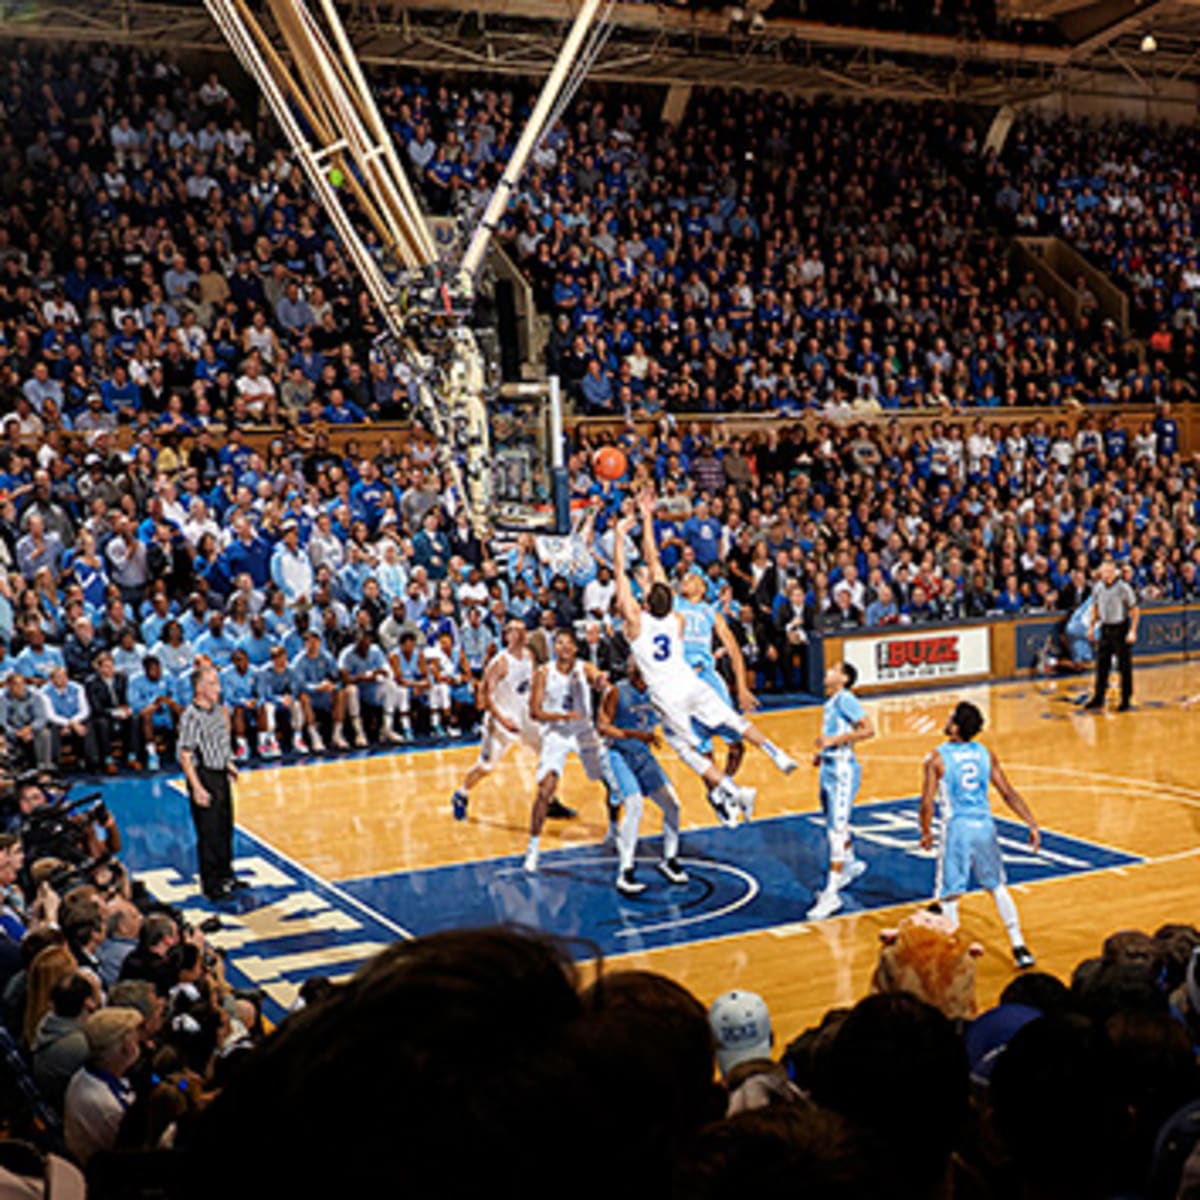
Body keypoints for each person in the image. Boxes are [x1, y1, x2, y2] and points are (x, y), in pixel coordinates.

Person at [613, 495, 796, 827]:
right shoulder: (676, 617)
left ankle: (733, 788)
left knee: (691, 749)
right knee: (723, 729)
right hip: (691, 679)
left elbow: (635, 574)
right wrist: (647, 517)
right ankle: (738, 785)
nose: (688, 579)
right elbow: (654, 565)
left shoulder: (646, 622)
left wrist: (621, 536)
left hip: (676, 688)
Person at [919, 700, 1039, 970]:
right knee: (996, 886)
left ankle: (952, 954)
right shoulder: (986, 753)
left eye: (950, 718)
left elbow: (927, 802)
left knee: (949, 894)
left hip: (956, 829)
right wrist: (1031, 822)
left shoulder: (936, 757)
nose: (946, 720)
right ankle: (1019, 946)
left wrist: (925, 831)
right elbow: (1007, 792)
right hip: (985, 826)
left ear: (956, 728)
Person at [595, 660, 688, 896]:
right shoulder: (617, 691)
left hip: (642, 754)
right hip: (617, 754)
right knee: (634, 804)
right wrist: (634, 734)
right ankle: (625, 871)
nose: (633, 664)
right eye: (632, 661)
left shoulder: (656, 692)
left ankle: (670, 859)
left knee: (672, 804)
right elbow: (602, 727)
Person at [524, 630, 610, 874]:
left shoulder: (583, 668)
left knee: (611, 782)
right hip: (556, 734)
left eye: (567, 643)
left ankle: (613, 831)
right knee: (545, 790)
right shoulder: (544, 673)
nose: (562, 646)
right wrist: (561, 717)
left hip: (584, 733)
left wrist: (602, 681)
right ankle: (533, 849)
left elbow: (597, 678)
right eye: (558, 643)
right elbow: (534, 712)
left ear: (575, 648)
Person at [451, 620, 541, 821]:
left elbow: (533, 685)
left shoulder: (529, 656)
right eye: (515, 631)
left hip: (525, 717)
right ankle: (461, 794)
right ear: (507, 635)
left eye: (523, 630)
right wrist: (502, 719)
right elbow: (485, 697)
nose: (520, 634)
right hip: (501, 721)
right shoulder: (500, 662)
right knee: (486, 766)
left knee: (548, 755)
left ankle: (549, 800)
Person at [807, 661, 876, 920]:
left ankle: (831, 894)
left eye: (834, 669)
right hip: (829, 767)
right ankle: (851, 862)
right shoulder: (832, 702)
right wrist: (823, 751)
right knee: (833, 824)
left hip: (842, 772)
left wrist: (832, 742)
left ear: (844, 678)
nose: (827, 671)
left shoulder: (846, 698)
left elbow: (868, 729)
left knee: (836, 830)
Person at [176, 664, 242, 902]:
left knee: (225, 827)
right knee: (209, 833)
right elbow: (185, 755)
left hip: (220, 773)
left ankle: (227, 874)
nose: (219, 688)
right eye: (213, 683)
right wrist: (197, 787)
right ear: (200, 688)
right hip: (203, 775)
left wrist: (229, 763)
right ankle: (211, 884)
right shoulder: (191, 716)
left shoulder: (218, 710)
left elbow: (221, 741)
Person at [1084, 557, 1139, 711]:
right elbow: (1095, 607)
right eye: (1103, 572)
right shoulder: (1098, 587)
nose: (1106, 574)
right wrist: (1091, 627)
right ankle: (1098, 697)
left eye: (1109, 571)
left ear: (1115, 572)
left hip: (1120, 627)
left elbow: (1134, 610)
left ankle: (1126, 699)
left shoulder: (1124, 588)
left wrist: (1132, 631)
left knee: (1124, 667)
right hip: (1105, 627)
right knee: (1102, 665)